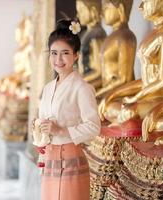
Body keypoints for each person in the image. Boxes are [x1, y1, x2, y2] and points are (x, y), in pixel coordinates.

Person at [36, 19, 101, 200]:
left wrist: (61, 130)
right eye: (54, 53)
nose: (58, 59)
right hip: (50, 160)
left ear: (76, 55)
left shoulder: (82, 88)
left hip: (71, 158)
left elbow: (94, 126)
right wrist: (41, 136)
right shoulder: (48, 88)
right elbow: (44, 121)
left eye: (65, 53)